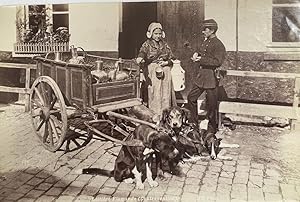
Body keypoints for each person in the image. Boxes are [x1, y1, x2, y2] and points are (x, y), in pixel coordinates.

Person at [186, 19, 226, 134]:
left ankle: (212, 129)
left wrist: (201, 59)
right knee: (191, 98)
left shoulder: (218, 44)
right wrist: (196, 53)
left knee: (212, 105)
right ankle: (194, 123)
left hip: (211, 78)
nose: (203, 31)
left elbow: (217, 62)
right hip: (201, 77)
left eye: (205, 29)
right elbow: (201, 50)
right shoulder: (206, 41)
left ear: (212, 30)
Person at [136, 22, 177, 116]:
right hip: (152, 70)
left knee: (165, 91)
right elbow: (142, 52)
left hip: (165, 70)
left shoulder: (165, 45)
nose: (158, 36)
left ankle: (166, 113)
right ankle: (155, 113)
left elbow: (172, 58)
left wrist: (166, 62)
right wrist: (140, 58)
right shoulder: (147, 44)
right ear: (150, 34)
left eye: (159, 33)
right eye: (155, 34)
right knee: (155, 91)